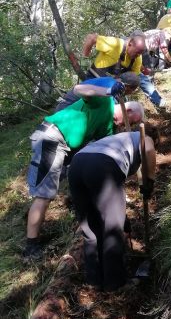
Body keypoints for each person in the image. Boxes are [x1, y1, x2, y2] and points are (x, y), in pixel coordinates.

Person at [24, 80, 144, 259]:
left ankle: (79, 211)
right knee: (44, 195)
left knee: (79, 180)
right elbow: (79, 89)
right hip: (53, 138)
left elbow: (105, 162)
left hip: (69, 147)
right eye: (131, 122)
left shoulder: (109, 128)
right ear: (128, 111)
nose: (124, 126)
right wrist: (107, 90)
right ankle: (31, 246)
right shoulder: (104, 102)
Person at [68, 131, 156, 291]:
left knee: (90, 227)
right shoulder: (144, 136)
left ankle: (94, 280)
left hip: (76, 165)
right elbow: (149, 149)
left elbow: (107, 202)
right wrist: (150, 181)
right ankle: (115, 283)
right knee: (112, 229)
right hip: (102, 165)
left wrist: (124, 220)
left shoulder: (119, 140)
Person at [53, 72, 141, 113]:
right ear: (128, 87)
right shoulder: (111, 86)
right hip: (69, 106)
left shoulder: (112, 83)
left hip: (75, 105)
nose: (131, 93)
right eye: (132, 90)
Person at [82, 30, 146, 78]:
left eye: (140, 54)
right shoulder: (115, 44)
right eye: (136, 52)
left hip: (110, 86)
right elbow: (91, 38)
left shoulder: (138, 57)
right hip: (94, 77)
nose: (138, 55)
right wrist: (84, 58)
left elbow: (134, 75)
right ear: (130, 44)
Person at [139, 27, 171, 107]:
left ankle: (151, 91)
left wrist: (153, 54)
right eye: (169, 37)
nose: (168, 39)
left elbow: (151, 44)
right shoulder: (162, 34)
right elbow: (164, 49)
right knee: (148, 72)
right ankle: (153, 98)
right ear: (168, 33)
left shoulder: (155, 32)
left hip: (142, 48)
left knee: (149, 70)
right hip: (143, 50)